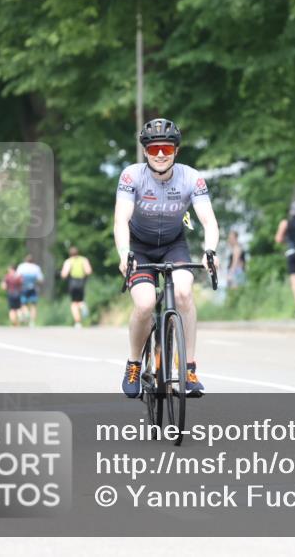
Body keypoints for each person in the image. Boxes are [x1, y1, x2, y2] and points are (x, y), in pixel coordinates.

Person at [115, 118, 219, 398]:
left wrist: (210, 251)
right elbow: (121, 220)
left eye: (167, 148)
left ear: (176, 151)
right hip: (139, 246)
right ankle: (134, 363)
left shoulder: (191, 177)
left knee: (184, 294)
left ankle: (189, 369)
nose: (160, 154)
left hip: (174, 244)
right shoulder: (131, 176)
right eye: (154, 148)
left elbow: (208, 221)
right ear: (145, 151)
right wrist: (125, 254)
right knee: (146, 303)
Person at [274, 201, 295, 319]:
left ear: (290, 211)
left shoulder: (285, 223)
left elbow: (278, 239)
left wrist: (286, 240)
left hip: (292, 253)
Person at [60, 246, 93, 329]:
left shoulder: (68, 261)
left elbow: (64, 274)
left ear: (70, 254)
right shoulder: (83, 260)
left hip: (73, 283)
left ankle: (78, 322)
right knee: (80, 300)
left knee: (74, 303)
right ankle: (82, 306)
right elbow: (89, 271)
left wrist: (62, 275)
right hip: (82, 283)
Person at [16, 254, 44, 327]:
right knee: (33, 305)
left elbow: (17, 277)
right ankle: (32, 322)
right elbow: (40, 279)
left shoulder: (21, 266)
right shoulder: (36, 267)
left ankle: (26, 313)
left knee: (23, 303)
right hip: (33, 288)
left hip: (24, 287)